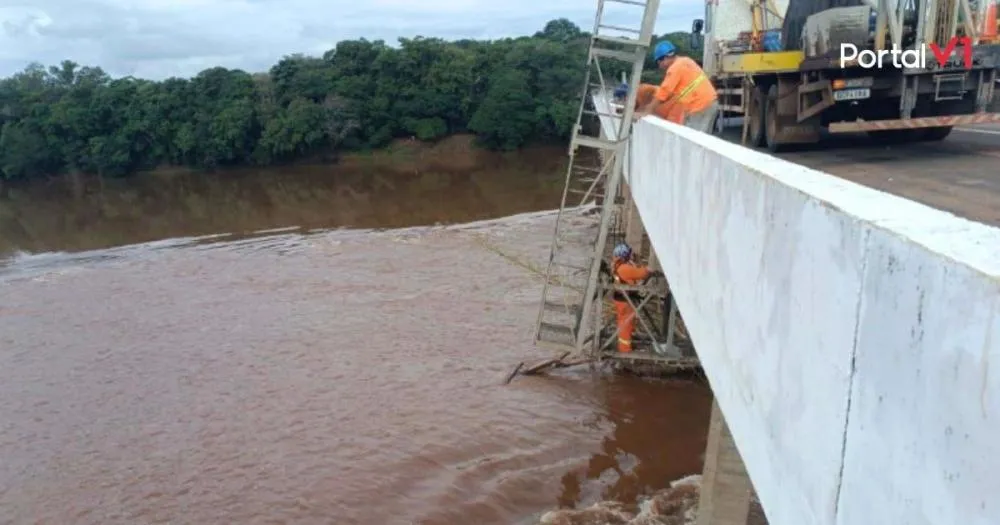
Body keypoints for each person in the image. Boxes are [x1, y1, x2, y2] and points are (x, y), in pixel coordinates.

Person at [633, 40, 720, 133]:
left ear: (665, 58)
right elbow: (672, 93)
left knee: (692, 139)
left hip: (701, 106)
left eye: (659, 62)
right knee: (702, 139)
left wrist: (647, 111)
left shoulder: (675, 68)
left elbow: (664, 91)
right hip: (709, 103)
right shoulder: (686, 61)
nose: (660, 66)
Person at [611, 243, 658, 353]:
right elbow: (640, 273)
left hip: (621, 300)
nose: (631, 256)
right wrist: (648, 269)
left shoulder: (618, 266)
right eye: (629, 254)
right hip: (625, 301)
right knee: (626, 324)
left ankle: (625, 346)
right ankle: (625, 350)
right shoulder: (625, 268)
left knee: (625, 323)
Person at [614, 82, 686, 124]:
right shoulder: (636, 99)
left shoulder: (643, 90)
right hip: (666, 109)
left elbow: (660, 94)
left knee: (671, 128)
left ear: (626, 96)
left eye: (623, 100)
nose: (624, 103)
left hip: (674, 105)